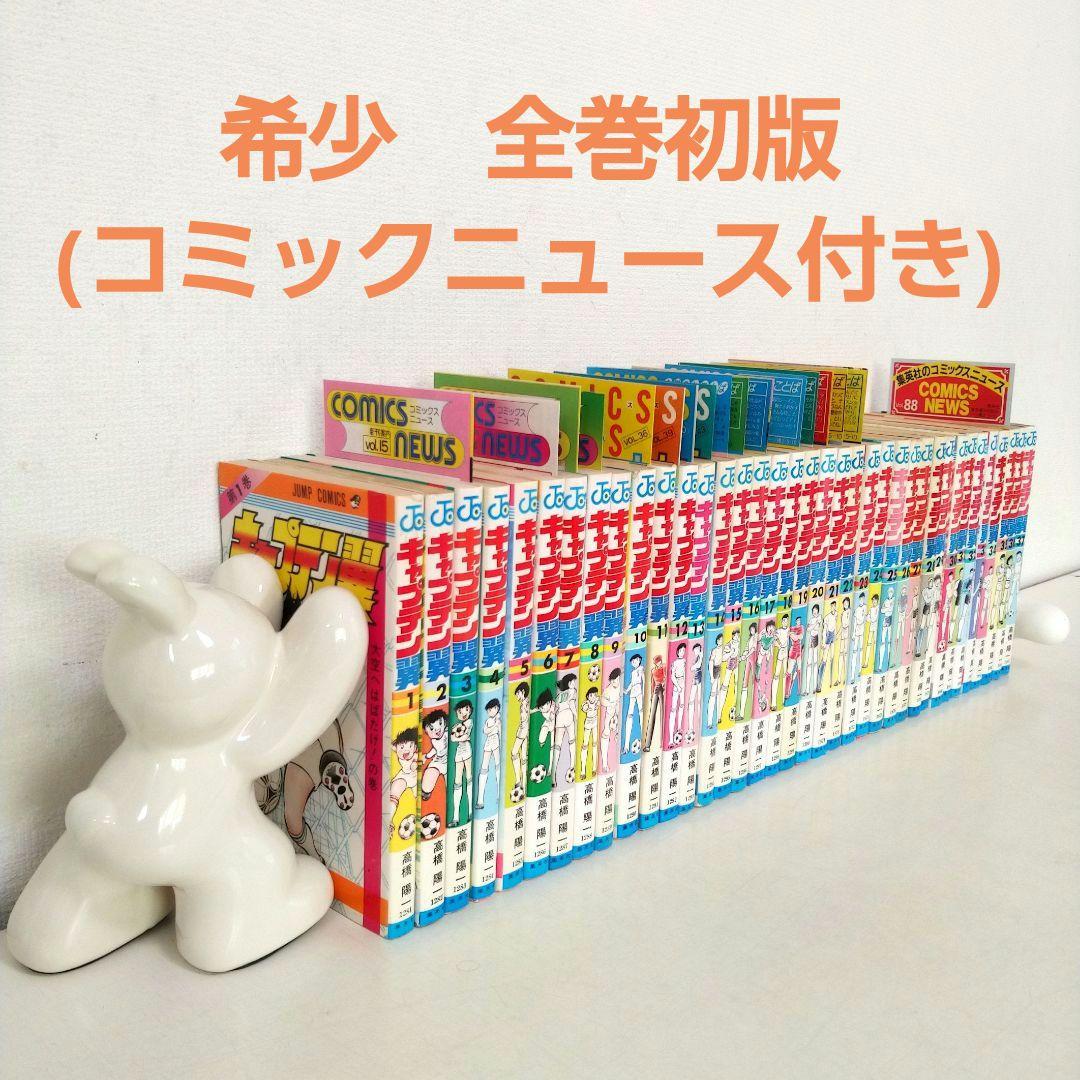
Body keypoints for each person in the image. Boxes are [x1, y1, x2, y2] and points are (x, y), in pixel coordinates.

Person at [551, 672, 577, 787]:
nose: (574, 683)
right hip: (568, 717)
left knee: (557, 746)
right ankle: (572, 766)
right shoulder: (572, 692)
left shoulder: (559, 696)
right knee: (572, 741)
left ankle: (553, 777)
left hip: (560, 719)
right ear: (568, 683)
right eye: (572, 682)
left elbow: (555, 709)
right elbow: (572, 705)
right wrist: (577, 716)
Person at [475, 698, 501, 811]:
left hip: (496, 741)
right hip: (488, 742)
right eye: (488, 710)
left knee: (498, 765)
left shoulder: (498, 721)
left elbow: (500, 732)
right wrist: (494, 725)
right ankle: (480, 800)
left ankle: (499, 794)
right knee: (484, 768)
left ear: (497, 708)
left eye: (492, 709)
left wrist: (496, 725)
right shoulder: (489, 721)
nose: (489, 711)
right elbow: (485, 731)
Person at [600, 667, 622, 771]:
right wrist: (610, 703)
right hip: (610, 715)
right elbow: (602, 700)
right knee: (606, 734)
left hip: (619, 714)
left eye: (617, 679)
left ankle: (618, 760)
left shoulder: (622, 684)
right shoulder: (608, 690)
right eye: (613, 680)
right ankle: (604, 764)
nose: (615, 682)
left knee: (619, 734)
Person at [623, 653, 645, 753]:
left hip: (639, 691)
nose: (633, 663)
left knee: (641, 711)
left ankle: (643, 737)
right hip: (633, 692)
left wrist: (643, 693)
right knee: (629, 714)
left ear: (639, 660)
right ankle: (626, 745)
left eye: (634, 661)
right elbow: (632, 683)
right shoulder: (632, 672)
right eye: (632, 662)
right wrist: (627, 690)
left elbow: (644, 681)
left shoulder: (641, 669)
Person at [645, 654, 665, 751]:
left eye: (660, 661)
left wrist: (664, 685)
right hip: (655, 691)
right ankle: (647, 745)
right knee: (652, 715)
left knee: (663, 715)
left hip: (663, 690)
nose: (659, 663)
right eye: (657, 662)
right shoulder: (653, 670)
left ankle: (663, 742)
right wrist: (651, 695)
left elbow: (666, 677)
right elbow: (652, 683)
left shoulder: (664, 667)